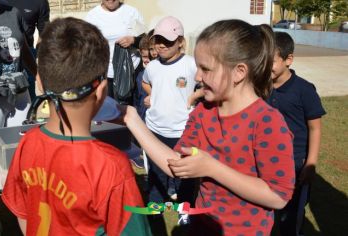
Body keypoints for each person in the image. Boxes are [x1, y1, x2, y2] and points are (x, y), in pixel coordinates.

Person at [122, 19, 296, 235]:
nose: (197, 77)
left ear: (239, 72)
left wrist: (213, 168)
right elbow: (176, 165)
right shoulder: (203, 112)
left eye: (205, 69)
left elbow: (278, 196)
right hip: (202, 227)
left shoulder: (267, 122)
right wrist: (133, 120)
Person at [1, 17, 151, 235]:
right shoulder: (112, 168)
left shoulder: (26, 144)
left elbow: (23, 214)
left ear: (40, 81)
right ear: (101, 91)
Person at [268, 32, 326, 236]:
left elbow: (315, 128)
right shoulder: (262, 88)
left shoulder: (304, 90)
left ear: (288, 60)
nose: (266, 66)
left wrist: (310, 164)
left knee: (290, 217)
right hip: (267, 163)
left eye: (271, 61)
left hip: (296, 164)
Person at [141, 16, 198, 207]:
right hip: (155, 129)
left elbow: (206, 84)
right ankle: (155, 204)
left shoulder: (191, 64)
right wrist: (153, 95)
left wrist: (195, 97)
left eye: (168, 41)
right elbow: (145, 82)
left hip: (183, 130)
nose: (162, 45)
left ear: (180, 42)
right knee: (156, 171)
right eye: (158, 40)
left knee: (184, 172)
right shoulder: (153, 66)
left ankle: (185, 207)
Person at [85, 0, 145, 104]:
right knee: (109, 111)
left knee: (130, 109)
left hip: (132, 70)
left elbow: (144, 40)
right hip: (105, 72)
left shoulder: (132, 12)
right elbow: (86, 46)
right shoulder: (92, 16)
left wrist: (133, 40)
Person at [0, 0, 37, 128]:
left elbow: (23, 47)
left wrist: (37, 73)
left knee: (23, 136)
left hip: (19, 91)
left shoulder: (13, 12)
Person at [6, 0, 50, 101]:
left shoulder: (40, 2)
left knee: (29, 99)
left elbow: (44, 34)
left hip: (27, 56)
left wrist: (39, 61)